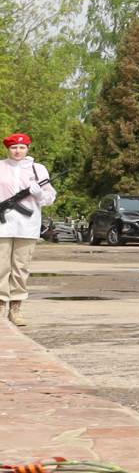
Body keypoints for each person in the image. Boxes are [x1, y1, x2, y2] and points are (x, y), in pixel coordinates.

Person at [0, 134, 56, 328]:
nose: (18, 151)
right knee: (1, 267)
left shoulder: (37, 169)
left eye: (22, 148)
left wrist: (40, 193)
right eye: (14, 147)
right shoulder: (1, 167)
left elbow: (50, 198)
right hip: (2, 225)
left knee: (20, 267)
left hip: (27, 224)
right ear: (8, 149)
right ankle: (1, 306)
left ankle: (15, 308)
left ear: (28, 149)